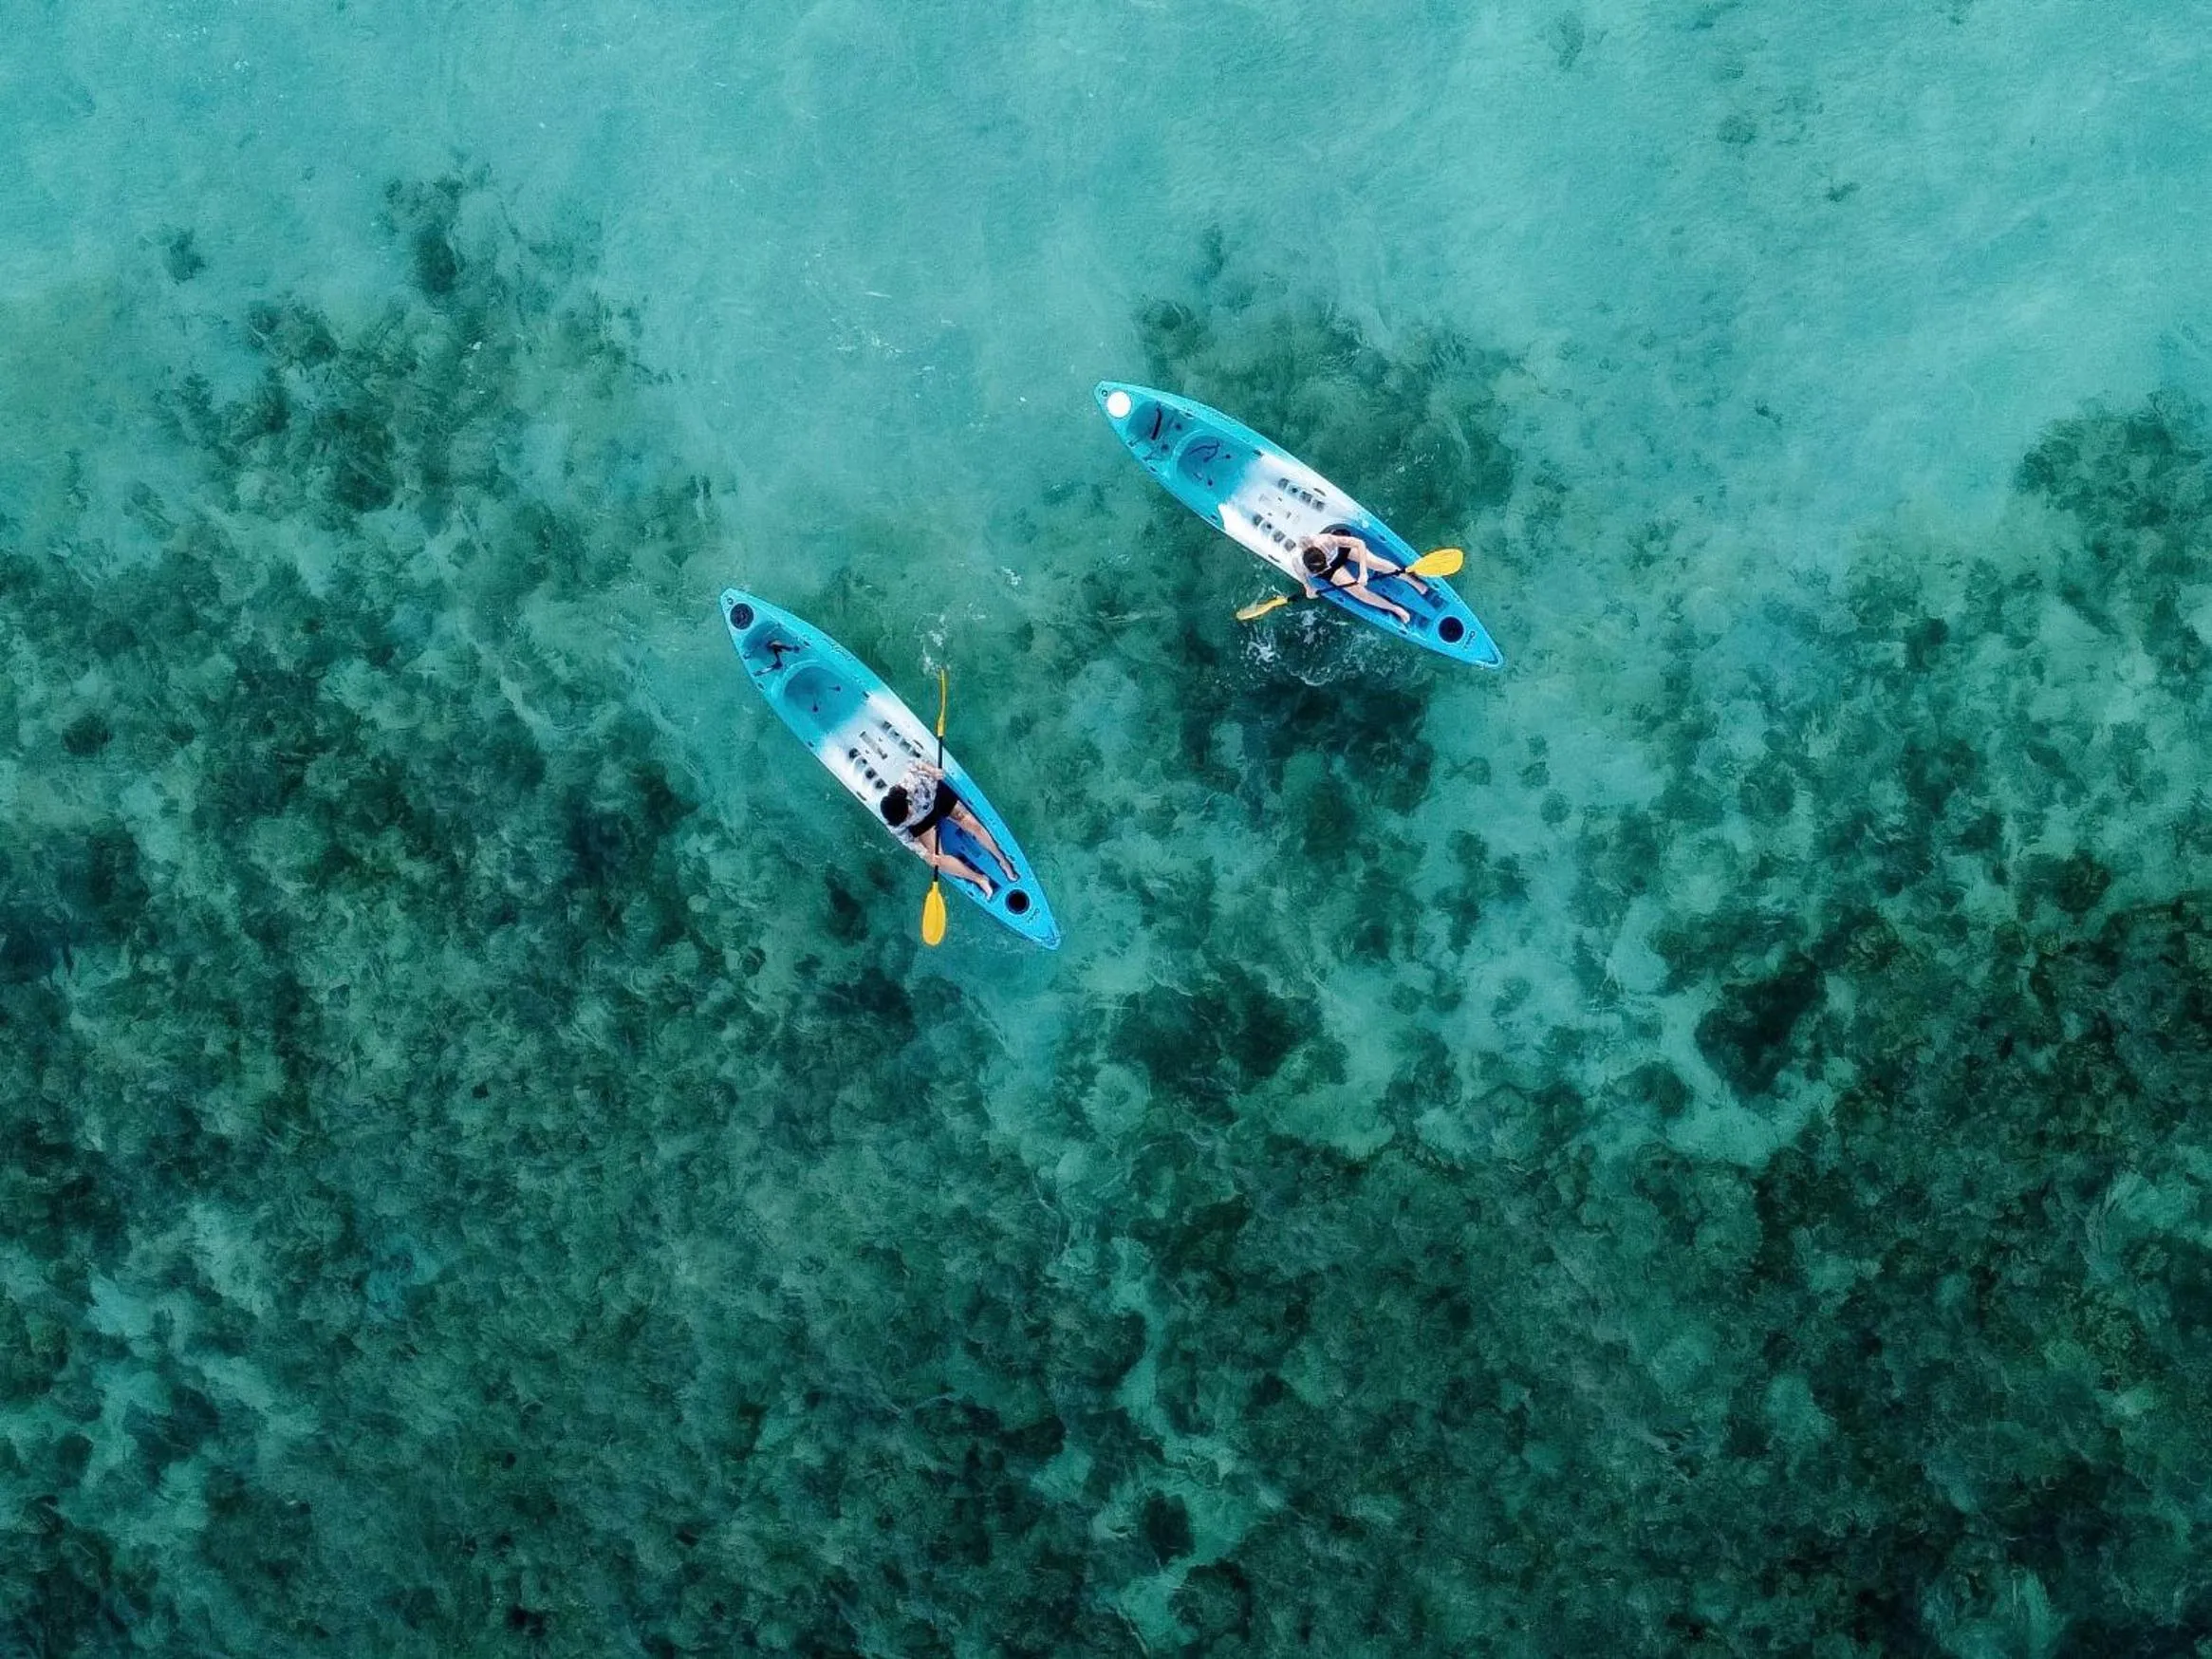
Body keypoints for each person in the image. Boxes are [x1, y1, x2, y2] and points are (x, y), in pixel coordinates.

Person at [879, 760, 1019, 900]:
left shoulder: (910, 782)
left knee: (973, 825)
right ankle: (980, 879)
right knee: (937, 861)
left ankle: (1002, 860)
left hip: (936, 797)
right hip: (922, 823)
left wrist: (932, 770)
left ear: (905, 801)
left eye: (907, 813)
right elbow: (908, 841)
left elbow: (913, 763)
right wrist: (925, 853)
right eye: (904, 819)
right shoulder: (894, 823)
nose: (908, 817)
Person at [1297, 531, 1424, 625]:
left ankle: (1413, 582)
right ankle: (1395, 608)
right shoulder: (1299, 563)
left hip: (1339, 552)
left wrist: (1363, 572)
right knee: (1359, 592)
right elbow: (1303, 578)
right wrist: (1308, 588)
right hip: (1331, 568)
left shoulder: (1326, 540)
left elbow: (1359, 543)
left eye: (1324, 565)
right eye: (1321, 569)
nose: (1326, 567)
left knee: (1376, 563)